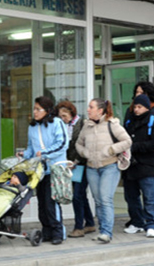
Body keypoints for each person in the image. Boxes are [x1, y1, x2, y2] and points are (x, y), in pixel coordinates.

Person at [76, 99, 132, 243]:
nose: (88, 109)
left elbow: (127, 141)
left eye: (91, 107)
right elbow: (78, 144)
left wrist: (111, 149)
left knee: (105, 199)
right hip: (92, 168)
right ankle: (102, 231)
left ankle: (107, 233)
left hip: (109, 167)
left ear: (100, 110)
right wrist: (85, 153)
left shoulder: (112, 124)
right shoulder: (86, 126)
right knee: (98, 200)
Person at [18, 96, 68, 245]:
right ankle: (47, 231)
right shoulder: (32, 127)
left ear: (47, 110)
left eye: (38, 109)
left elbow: (63, 144)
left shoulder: (57, 123)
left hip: (54, 169)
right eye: (34, 109)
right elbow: (31, 148)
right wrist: (24, 154)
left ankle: (58, 232)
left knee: (51, 202)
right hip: (39, 171)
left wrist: (46, 152)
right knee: (41, 203)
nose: (35, 112)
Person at [122, 94, 154, 238]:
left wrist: (134, 147)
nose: (136, 110)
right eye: (135, 107)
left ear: (146, 107)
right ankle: (137, 221)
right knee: (131, 196)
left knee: (149, 197)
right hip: (130, 165)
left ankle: (151, 225)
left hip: (147, 165)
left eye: (140, 107)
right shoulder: (128, 122)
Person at [56, 100, 95, 238]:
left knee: (77, 195)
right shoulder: (62, 126)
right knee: (80, 195)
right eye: (60, 116)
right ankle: (90, 222)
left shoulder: (82, 123)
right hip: (70, 165)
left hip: (82, 164)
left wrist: (77, 160)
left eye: (65, 115)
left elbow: (86, 144)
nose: (63, 118)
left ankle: (79, 226)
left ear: (72, 113)